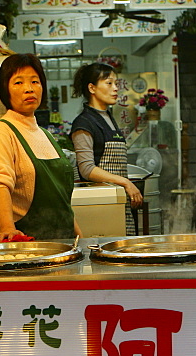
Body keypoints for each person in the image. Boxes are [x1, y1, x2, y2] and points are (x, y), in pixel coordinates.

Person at [0, 53, 81, 242]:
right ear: (5, 90)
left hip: (65, 243)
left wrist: (79, 238)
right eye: (18, 83)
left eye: (35, 82)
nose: (29, 89)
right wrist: (7, 228)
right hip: (28, 246)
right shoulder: (1, 131)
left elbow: (61, 202)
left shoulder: (46, 134)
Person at [70, 62, 143, 234]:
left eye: (116, 84)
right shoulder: (84, 123)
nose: (115, 88)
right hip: (101, 206)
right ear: (92, 88)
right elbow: (87, 169)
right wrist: (125, 182)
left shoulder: (108, 118)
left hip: (119, 201)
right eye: (109, 83)